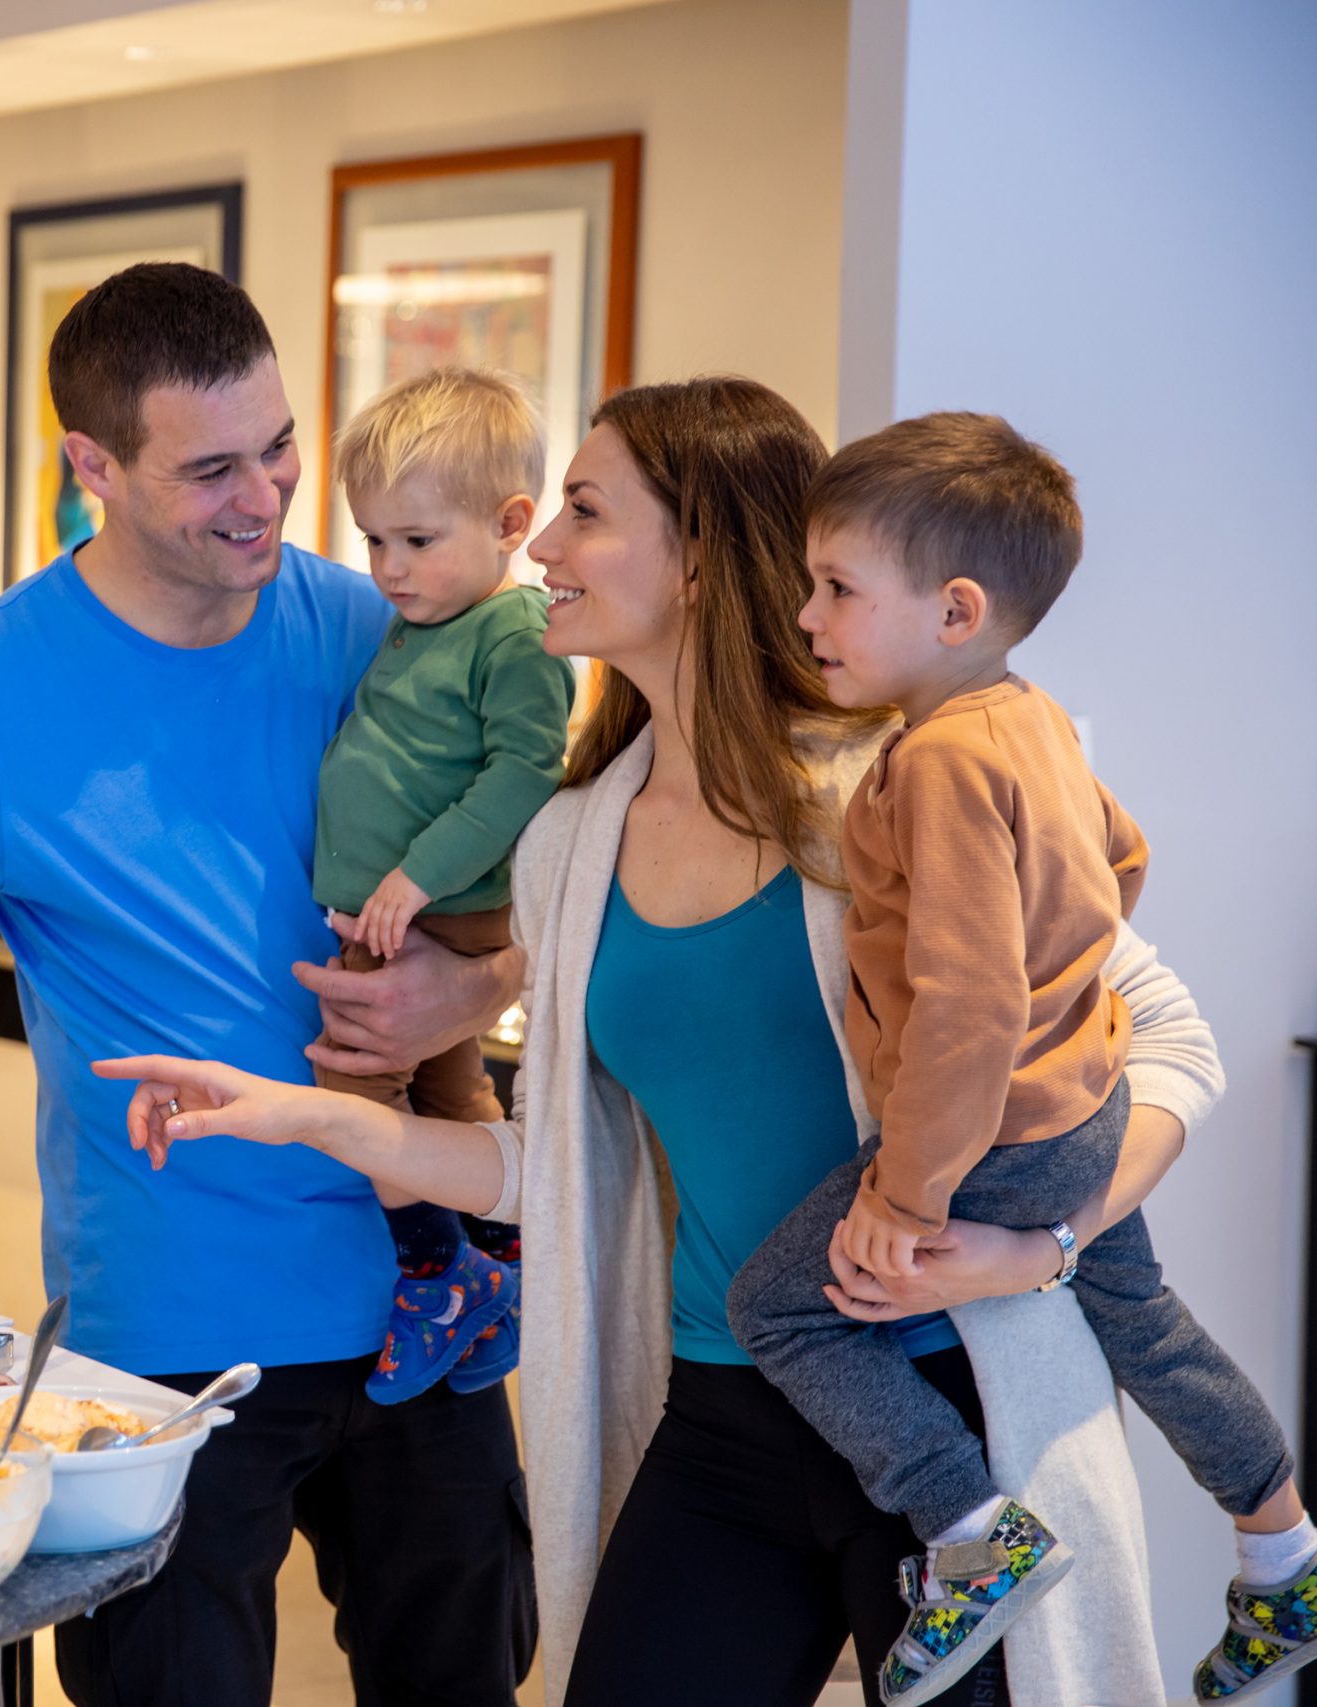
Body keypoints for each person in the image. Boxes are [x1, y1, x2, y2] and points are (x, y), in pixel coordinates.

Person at [97, 376, 1226, 1707]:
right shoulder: (573, 844)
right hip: (726, 1413)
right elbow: (577, 1172)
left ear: (697, 556)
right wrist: (310, 1114)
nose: (539, 549)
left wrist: (1045, 1241)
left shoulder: (888, 779)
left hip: (952, 1410)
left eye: (583, 511)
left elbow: (1169, 1043)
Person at [0, 262, 532, 1706]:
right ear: (93, 466)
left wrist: (474, 990)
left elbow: (562, 878)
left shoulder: (384, 625)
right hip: (169, 1336)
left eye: (276, 446)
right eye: (210, 468)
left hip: (420, 1294)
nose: (263, 494)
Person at [724, 413, 1317, 1705]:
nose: (806, 615)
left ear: (955, 607)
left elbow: (963, 1007)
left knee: (785, 1304)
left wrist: (904, 1199)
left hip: (997, 1134)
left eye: (838, 587)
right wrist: (1073, 996)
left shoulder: (944, 761)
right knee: (1144, 1314)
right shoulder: (1031, 724)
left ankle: (970, 1529)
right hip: (1086, 1095)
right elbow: (1120, 858)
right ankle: (1289, 1546)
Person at [309, 366, 572, 1401]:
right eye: (373, 540)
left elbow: (523, 772)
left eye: (416, 542)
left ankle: (437, 1276)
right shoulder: (424, 625)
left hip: (426, 913)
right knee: (444, 1086)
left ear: (511, 522)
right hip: (403, 909)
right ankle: (496, 1261)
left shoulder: (510, 632)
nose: (387, 567)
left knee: (351, 1082)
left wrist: (415, 880)